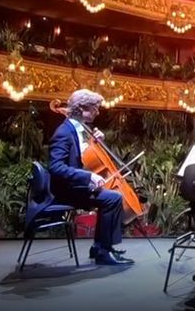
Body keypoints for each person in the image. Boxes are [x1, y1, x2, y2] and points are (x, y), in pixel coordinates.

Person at [47, 89, 132, 265]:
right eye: (94, 108)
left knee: (113, 198)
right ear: (82, 108)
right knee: (113, 198)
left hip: (75, 186)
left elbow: (84, 158)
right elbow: (55, 167)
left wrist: (95, 141)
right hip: (66, 191)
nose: (97, 112)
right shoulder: (63, 132)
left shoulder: (78, 129)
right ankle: (103, 251)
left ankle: (101, 247)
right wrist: (89, 177)